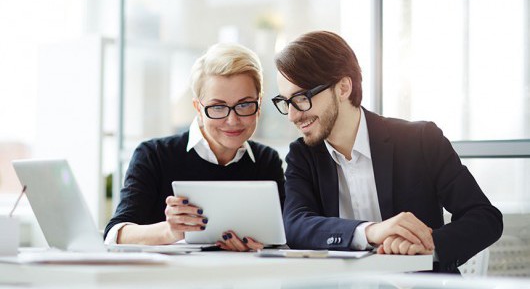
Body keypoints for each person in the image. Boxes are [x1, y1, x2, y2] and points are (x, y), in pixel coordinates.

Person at [271, 30, 502, 273]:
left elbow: (485, 217)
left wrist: (428, 246)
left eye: (300, 98)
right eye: (285, 102)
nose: (292, 115)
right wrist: (369, 231)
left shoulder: (421, 140)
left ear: (342, 88)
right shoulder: (303, 155)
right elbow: (295, 224)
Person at [104, 43, 285, 252]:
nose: (233, 120)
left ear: (259, 104)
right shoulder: (154, 155)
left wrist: (262, 245)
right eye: (218, 107)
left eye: (244, 105)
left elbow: (281, 235)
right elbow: (116, 233)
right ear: (198, 108)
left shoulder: (266, 161)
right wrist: (170, 232)